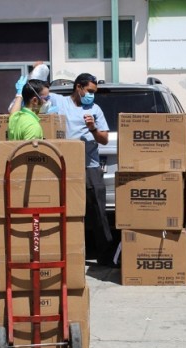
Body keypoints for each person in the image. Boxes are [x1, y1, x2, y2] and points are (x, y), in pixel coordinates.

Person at [48, 73, 114, 266]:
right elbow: (38, 93)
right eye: (90, 91)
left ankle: (106, 255)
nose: (92, 95)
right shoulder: (60, 102)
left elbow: (104, 139)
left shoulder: (95, 109)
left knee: (98, 212)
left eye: (94, 92)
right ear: (78, 87)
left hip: (89, 166)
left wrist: (92, 128)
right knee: (64, 211)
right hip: (63, 167)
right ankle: (67, 253)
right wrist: (38, 72)